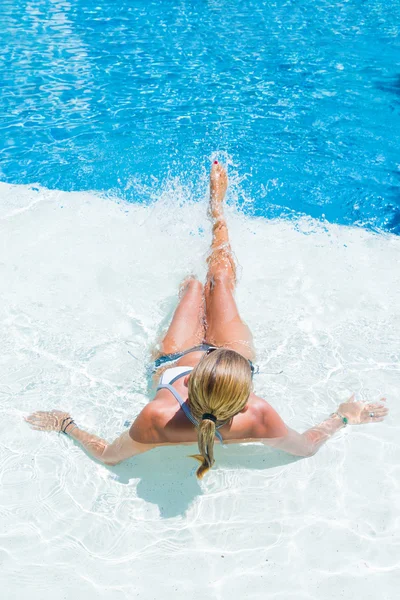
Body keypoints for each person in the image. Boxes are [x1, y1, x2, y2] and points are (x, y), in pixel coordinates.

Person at [26, 161, 389, 478]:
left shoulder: (159, 415)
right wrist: (343, 417)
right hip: (235, 356)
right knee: (221, 280)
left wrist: (66, 424)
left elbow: (109, 456)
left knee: (194, 287)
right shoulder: (258, 414)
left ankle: (212, 218)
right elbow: (307, 446)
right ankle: (218, 209)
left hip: (174, 359)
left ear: (193, 383)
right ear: (245, 398)